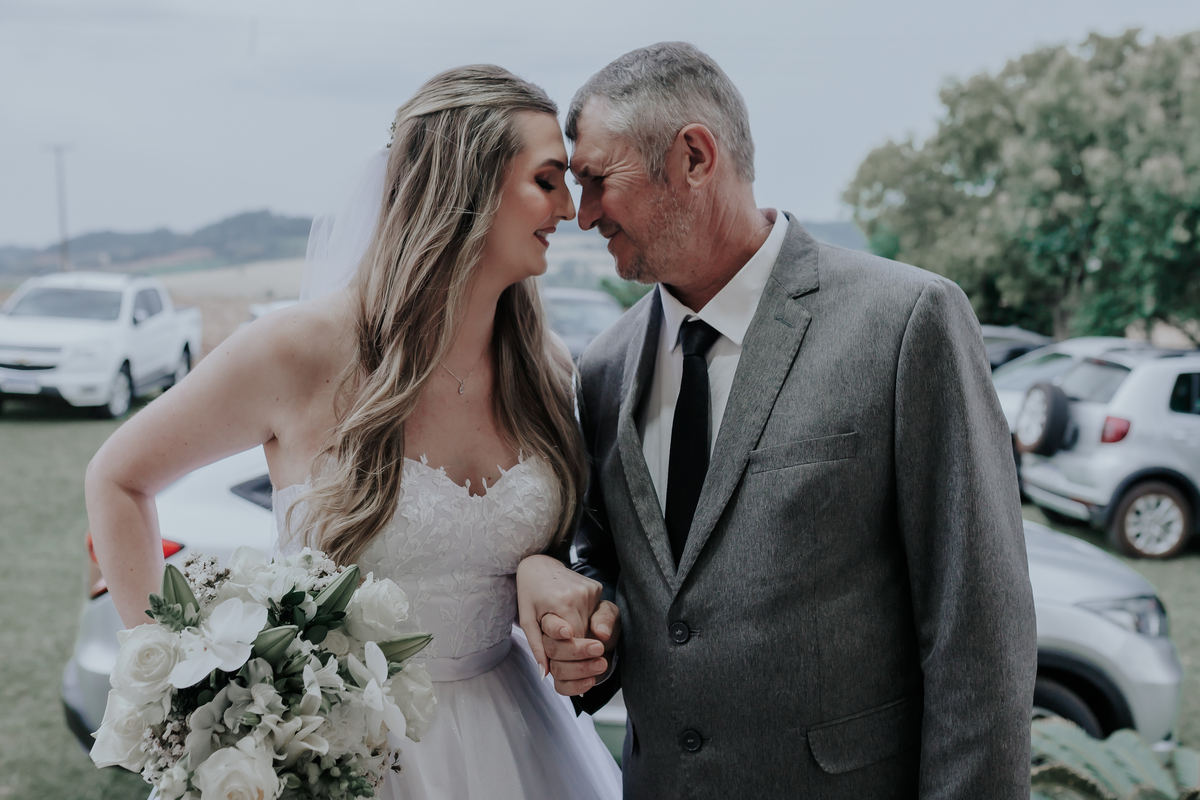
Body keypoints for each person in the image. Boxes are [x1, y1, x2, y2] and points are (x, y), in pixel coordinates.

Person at [516, 42, 1038, 798]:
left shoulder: (906, 321)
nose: (583, 213)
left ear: (695, 157)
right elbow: (617, 576)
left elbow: (979, 632)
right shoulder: (602, 367)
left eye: (598, 179)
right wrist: (591, 638)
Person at [85, 65, 621, 800]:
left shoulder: (545, 367)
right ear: (464, 186)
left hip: (519, 741)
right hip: (349, 752)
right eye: (548, 180)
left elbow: (560, 552)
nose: (570, 209)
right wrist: (188, 688)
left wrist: (544, 575)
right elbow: (118, 477)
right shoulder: (297, 351)